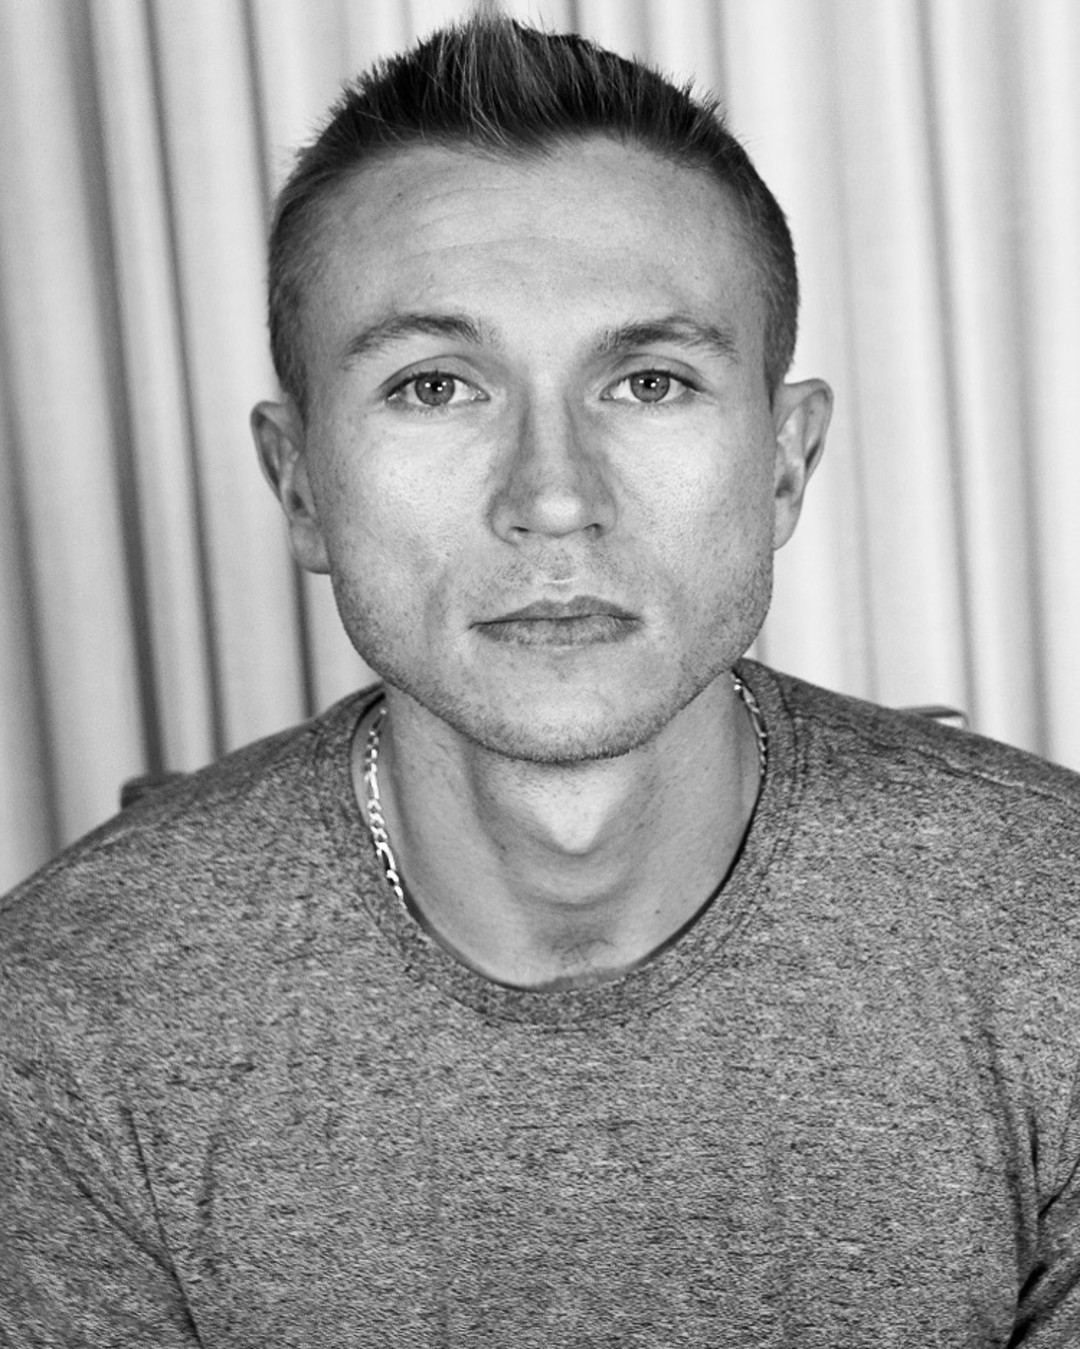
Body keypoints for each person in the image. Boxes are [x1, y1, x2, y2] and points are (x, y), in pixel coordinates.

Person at [2, 15, 1079, 1346]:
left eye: (649, 381)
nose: (555, 496)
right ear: (301, 485)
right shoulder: (69, 1014)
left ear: (785, 464)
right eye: (435, 387)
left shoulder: (1055, 931)